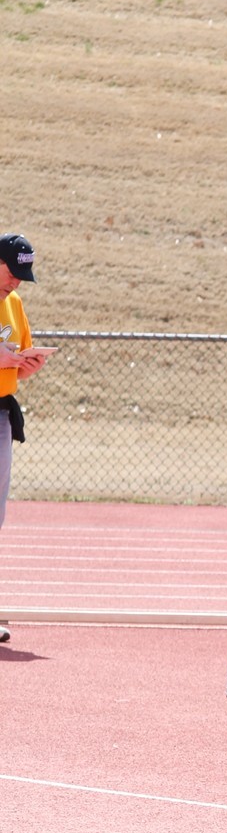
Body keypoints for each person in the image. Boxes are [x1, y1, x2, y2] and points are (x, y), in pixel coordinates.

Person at [0, 233, 54, 645]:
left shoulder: (14, 303)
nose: (16, 282)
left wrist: (27, 365)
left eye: (23, 275)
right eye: (12, 272)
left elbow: (14, 368)